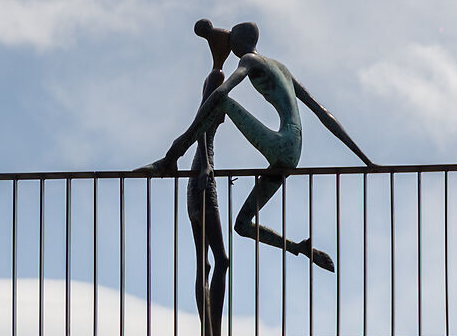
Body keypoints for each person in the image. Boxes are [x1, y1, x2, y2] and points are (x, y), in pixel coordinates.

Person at [139, 21, 372, 271]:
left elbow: (222, 93)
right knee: (242, 225)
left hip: (281, 144)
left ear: (238, 42)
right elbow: (323, 113)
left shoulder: (249, 60)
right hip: (293, 153)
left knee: (223, 102)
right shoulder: (281, 67)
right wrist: (366, 160)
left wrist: (187, 133)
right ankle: (299, 248)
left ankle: (170, 158)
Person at [187, 20, 235, 336]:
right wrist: (206, 164)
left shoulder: (212, 77)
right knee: (221, 260)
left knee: (204, 263)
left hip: (197, 177)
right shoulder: (217, 79)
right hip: (204, 178)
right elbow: (203, 123)